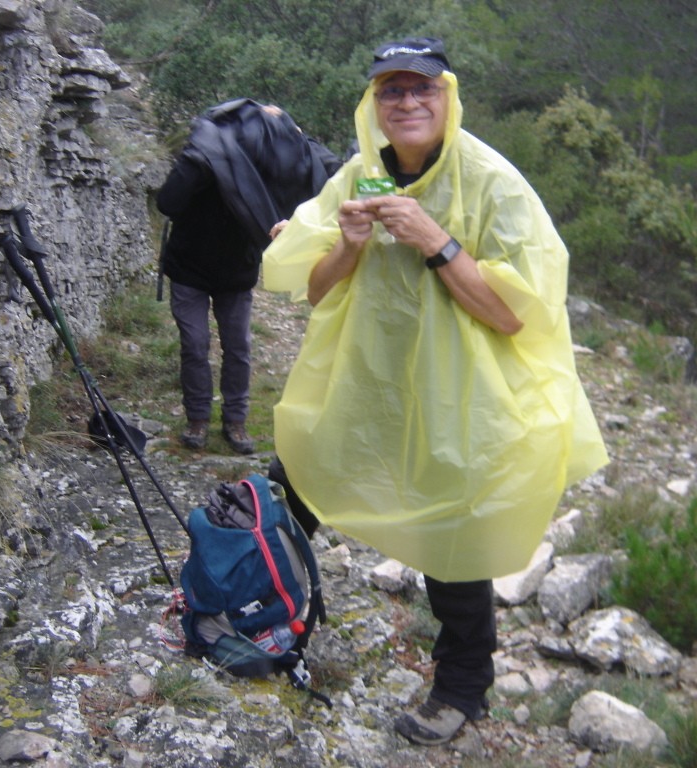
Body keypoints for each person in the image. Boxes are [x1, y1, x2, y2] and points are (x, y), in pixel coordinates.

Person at [262, 38, 608, 745]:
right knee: (291, 488)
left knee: (453, 540)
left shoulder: (494, 183)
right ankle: (265, 623)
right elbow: (313, 287)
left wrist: (435, 240)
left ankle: (460, 689)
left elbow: (516, 312)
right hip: (368, 384)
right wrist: (349, 245)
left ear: (447, 96)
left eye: (422, 88)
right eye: (392, 90)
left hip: (460, 394)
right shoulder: (358, 176)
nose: (408, 102)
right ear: (374, 106)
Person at [156, 100, 341, 452]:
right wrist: (194, 162)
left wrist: (298, 134)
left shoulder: (267, 164)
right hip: (188, 266)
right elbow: (169, 202)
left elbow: (327, 168)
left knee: (237, 347)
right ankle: (197, 420)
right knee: (194, 345)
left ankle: (235, 422)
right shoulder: (204, 155)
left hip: (236, 269)